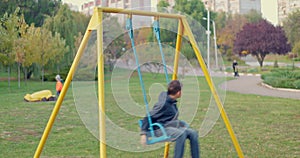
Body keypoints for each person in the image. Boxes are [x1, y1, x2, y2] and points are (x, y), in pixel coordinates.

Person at [140, 80, 200, 158]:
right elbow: (148, 116)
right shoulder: (163, 104)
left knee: (193, 133)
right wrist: (143, 134)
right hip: (160, 129)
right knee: (181, 134)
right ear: (178, 92)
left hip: (170, 126)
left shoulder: (172, 101)